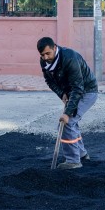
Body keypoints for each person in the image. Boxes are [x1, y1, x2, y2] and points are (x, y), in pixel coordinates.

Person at [37, 37, 98, 169]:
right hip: (71, 92)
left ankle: (73, 161)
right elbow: (50, 81)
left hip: (87, 91)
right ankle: (81, 154)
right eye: (42, 55)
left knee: (67, 123)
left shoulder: (70, 58)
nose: (46, 57)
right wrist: (62, 94)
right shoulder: (44, 62)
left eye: (48, 53)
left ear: (54, 48)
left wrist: (67, 113)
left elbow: (78, 88)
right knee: (71, 123)